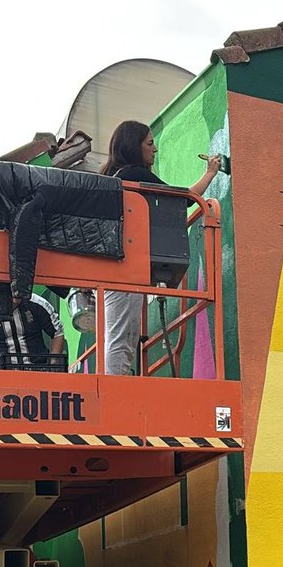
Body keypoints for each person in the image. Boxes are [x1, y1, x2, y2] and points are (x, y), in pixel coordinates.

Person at [99, 120, 222, 376]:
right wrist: (211, 172)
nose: (154, 149)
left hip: (114, 265)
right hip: (125, 267)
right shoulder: (134, 174)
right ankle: (115, 386)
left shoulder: (117, 176)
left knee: (118, 333)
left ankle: (116, 381)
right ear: (134, 147)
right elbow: (184, 199)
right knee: (123, 336)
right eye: (149, 143)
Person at [0, 287, 65, 371]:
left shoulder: (37, 303)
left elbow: (57, 332)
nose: (15, 300)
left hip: (38, 371)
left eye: (18, 294)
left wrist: (53, 363)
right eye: (11, 295)